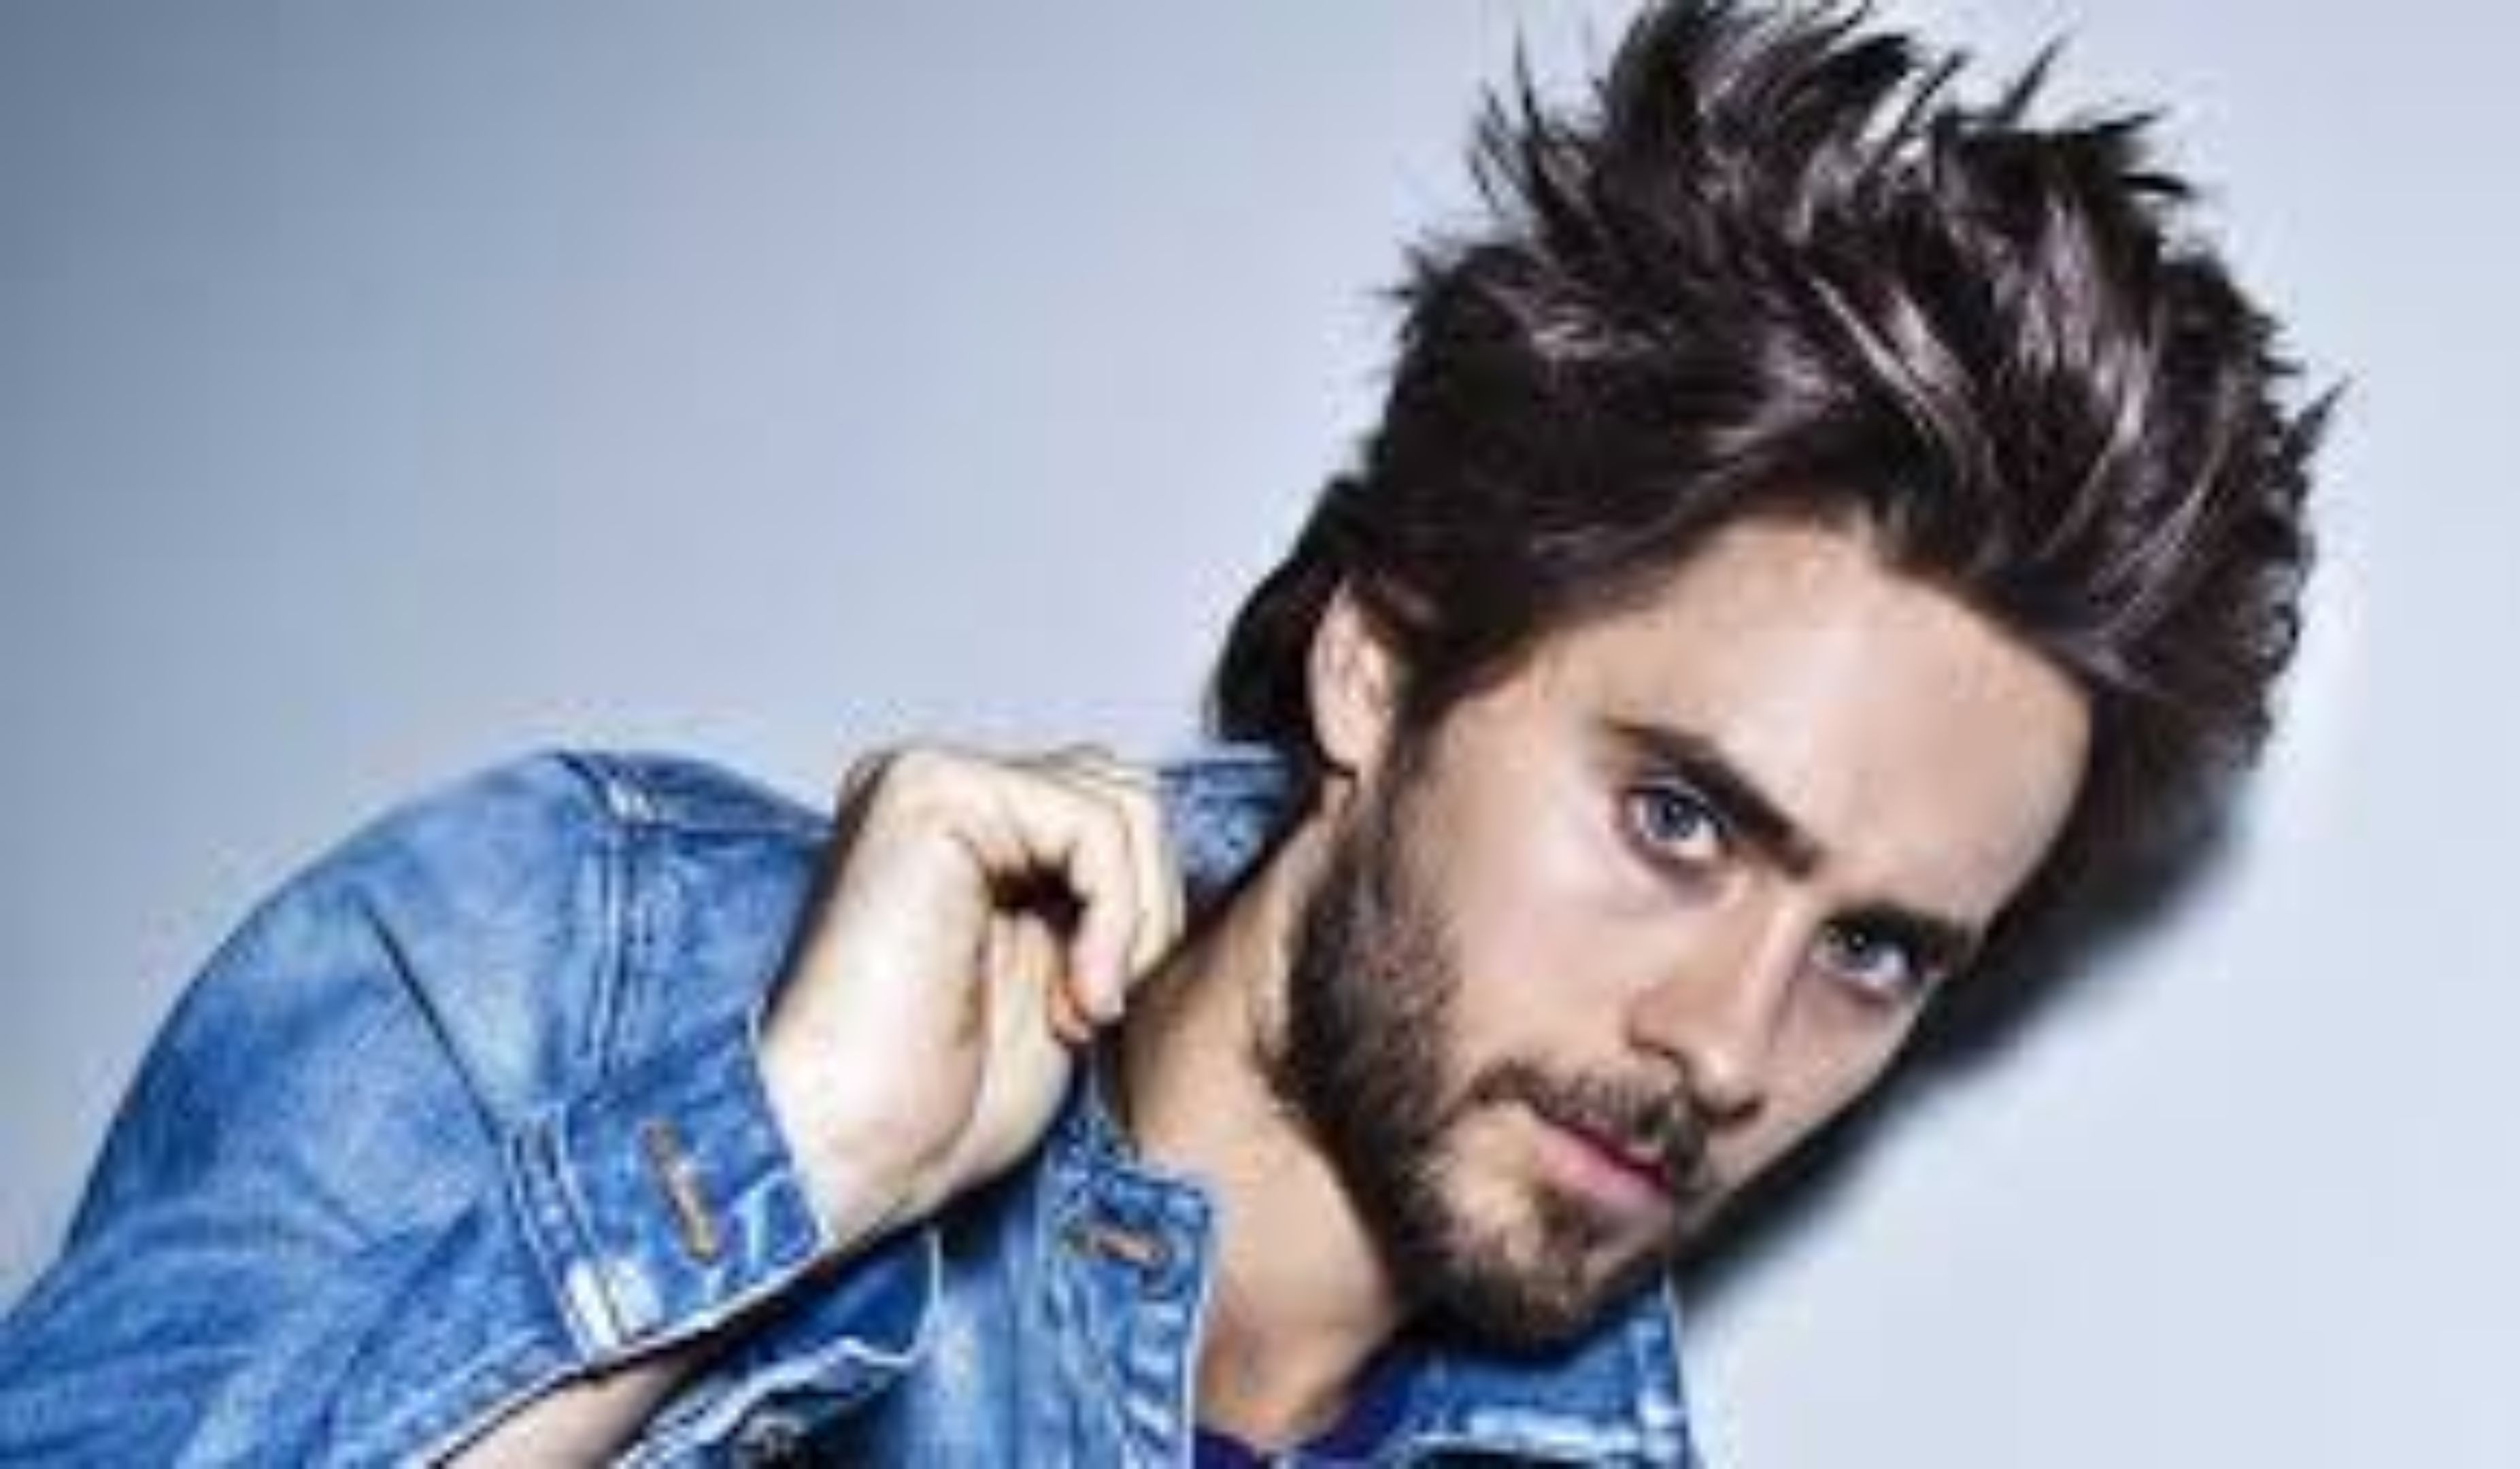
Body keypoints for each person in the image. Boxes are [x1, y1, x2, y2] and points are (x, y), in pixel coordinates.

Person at [0, 1, 2325, 1462]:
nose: (1725, 1046)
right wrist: (788, 1163)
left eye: (1878, 952)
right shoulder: (577, 976)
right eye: (1679, 819)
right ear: (1379, 665)